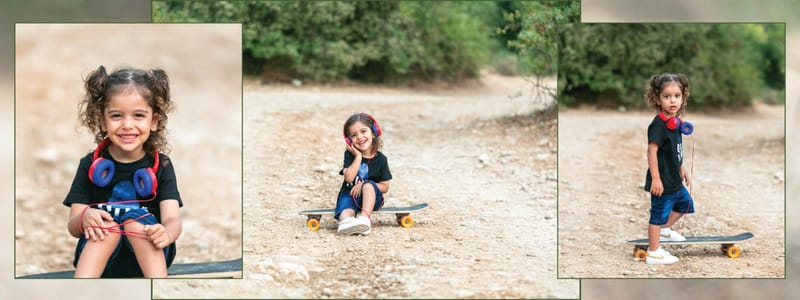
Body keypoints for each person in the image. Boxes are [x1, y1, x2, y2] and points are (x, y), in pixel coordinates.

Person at [63, 65, 183, 277]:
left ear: (153, 121)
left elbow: (172, 219)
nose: (128, 125)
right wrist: (84, 218)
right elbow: (73, 226)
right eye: (117, 116)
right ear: (102, 120)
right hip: (102, 256)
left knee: (136, 221)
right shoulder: (89, 164)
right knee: (107, 228)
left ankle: (157, 285)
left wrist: (166, 233)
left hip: (149, 254)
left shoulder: (162, 166)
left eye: (138, 115)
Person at [642, 73, 695, 265]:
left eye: (677, 96)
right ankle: (654, 252)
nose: (673, 100)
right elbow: (652, 151)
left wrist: (682, 168)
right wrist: (656, 179)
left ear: (683, 98)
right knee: (657, 215)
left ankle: (664, 231)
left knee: (685, 204)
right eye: (667, 96)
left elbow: (674, 151)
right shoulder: (658, 124)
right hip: (662, 182)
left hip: (675, 179)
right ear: (657, 99)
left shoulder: (676, 122)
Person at [335, 113, 392, 235]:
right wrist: (358, 156)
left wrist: (364, 184)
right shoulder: (350, 155)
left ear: (373, 132)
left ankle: (364, 220)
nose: (359, 137)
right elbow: (349, 178)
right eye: (354, 135)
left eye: (363, 131)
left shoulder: (381, 159)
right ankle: (346, 224)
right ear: (349, 140)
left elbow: (385, 187)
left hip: (371, 198)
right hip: (350, 194)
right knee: (346, 210)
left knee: (369, 185)